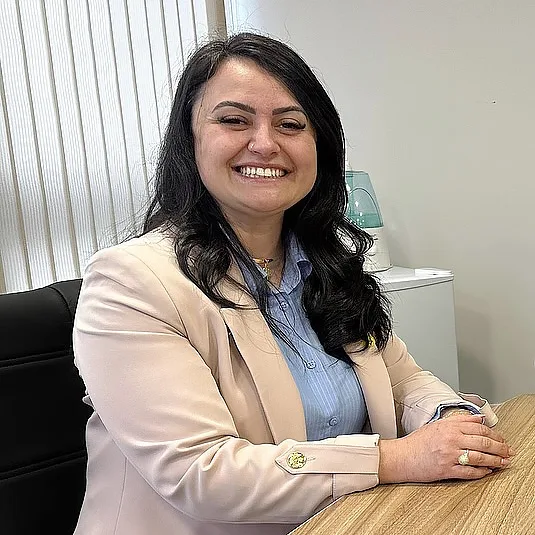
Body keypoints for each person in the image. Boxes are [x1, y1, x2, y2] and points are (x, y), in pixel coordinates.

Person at [72, 32, 513, 535]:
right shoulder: (130, 283)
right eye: (234, 120)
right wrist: (393, 459)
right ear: (189, 142)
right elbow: (201, 473)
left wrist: (447, 417)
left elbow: (403, 379)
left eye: (290, 124)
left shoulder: (324, 265)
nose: (265, 143)